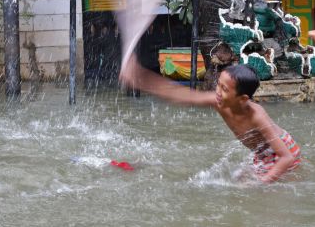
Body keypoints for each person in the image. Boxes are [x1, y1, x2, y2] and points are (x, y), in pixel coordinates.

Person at [120, 59, 301, 183]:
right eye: (218, 85)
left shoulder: (257, 116)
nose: (218, 92)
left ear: (243, 99)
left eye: (224, 89)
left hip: (283, 150)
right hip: (262, 152)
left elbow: (286, 157)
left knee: (247, 188)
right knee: (239, 178)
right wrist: (141, 80)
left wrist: (262, 184)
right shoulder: (218, 102)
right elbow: (182, 96)